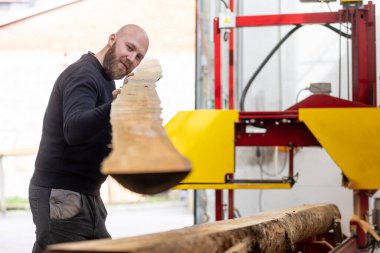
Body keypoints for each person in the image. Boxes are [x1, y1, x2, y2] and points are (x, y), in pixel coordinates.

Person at [28, 24, 149, 253]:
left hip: (86, 195)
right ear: (112, 39)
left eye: (139, 56)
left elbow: (101, 134)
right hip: (62, 194)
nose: (131, 58)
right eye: (129, 47)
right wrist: (115, 107)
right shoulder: (84, 74)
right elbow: (74, 130)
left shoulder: (107, 80)